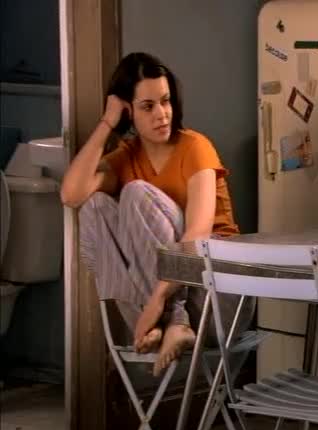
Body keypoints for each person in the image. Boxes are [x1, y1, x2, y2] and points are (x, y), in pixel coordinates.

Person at [61, 52, 240, 376]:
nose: (162, 114)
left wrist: (158, 300)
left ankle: (175, 320)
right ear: (128, 112)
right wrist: (107, 123)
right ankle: (171, 324)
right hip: (156, 312)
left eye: (165, 101)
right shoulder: (127, 157)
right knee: (96, 206)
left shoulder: (195, 146)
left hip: (216, 297)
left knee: (135, 193)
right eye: (147, 106)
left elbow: (198, 235)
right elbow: (71, 195)